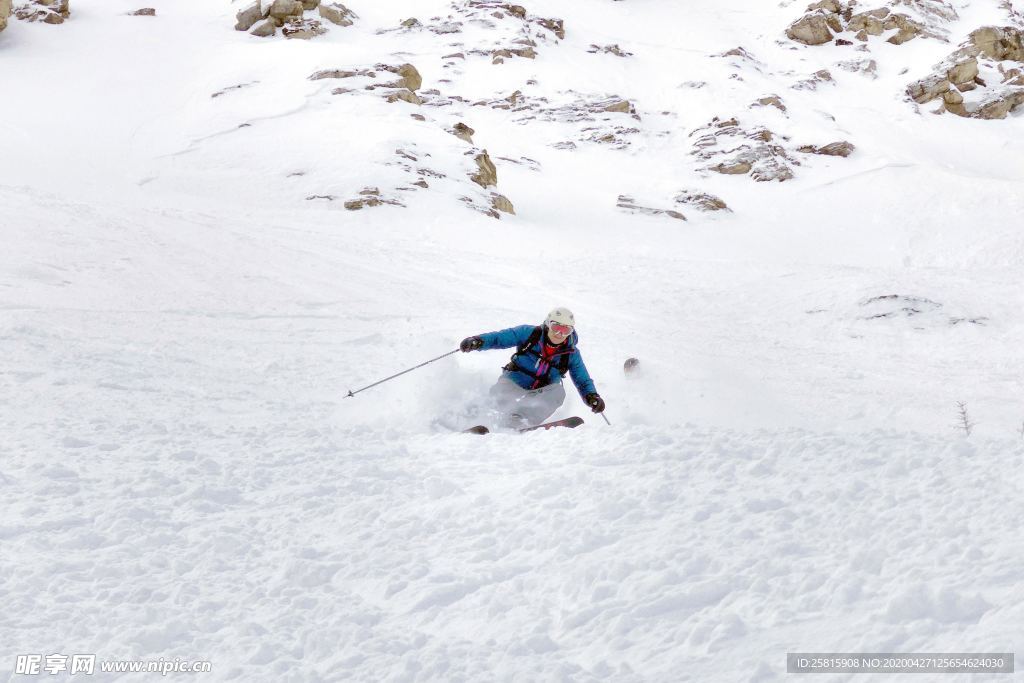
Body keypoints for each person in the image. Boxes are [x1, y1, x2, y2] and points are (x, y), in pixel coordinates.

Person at [460, 307, 605, 428]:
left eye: (565, 330)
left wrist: (591, 396)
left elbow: (582, 380)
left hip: (541, 391)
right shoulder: (530, 333)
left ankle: (519, 420)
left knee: (558, 392)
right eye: (556, 328)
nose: (559, 334)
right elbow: (500, 338)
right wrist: (478, 341)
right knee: (499, 400)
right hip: (514, 381)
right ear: (548, 324)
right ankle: (471, 416)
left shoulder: (571, 353)